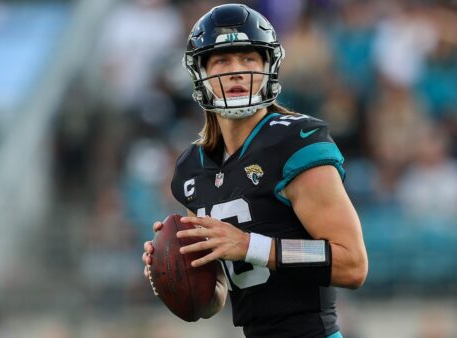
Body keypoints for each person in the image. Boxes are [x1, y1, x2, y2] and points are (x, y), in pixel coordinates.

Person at [142, 4, 368, 338]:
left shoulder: (295, 141)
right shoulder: (192, 170)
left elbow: (352, 263)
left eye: (248, 59)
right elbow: (217, 298)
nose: (236, 70)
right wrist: (175, 274)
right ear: (201, 73)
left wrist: (251, 246)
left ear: (268, 67)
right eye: (222, 60)